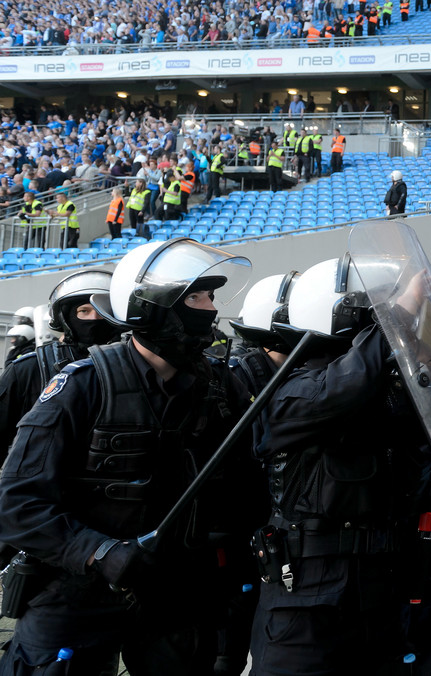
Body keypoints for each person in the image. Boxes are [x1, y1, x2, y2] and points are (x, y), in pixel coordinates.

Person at [248, 257, 431, 676]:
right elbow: (340, 388)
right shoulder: (294, 393)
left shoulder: (384, 394)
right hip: (305, 609)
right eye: (377, 312)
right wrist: (399, 314)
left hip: (379, 599)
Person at [0, 238, 262, 675]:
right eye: (196, 296)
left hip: (176, 593)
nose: (211, 309)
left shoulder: (219, 387)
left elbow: (248, 488)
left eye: (212, 296)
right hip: (76, 591)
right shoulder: (82, 386)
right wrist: (99, 552)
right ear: (153, 307)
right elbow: (17, 503)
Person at [0, 269, 119, 459]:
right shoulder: (28, 370)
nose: (94, 320)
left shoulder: (136, 367)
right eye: (83, 311)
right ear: (66, 318)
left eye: (102, 311)